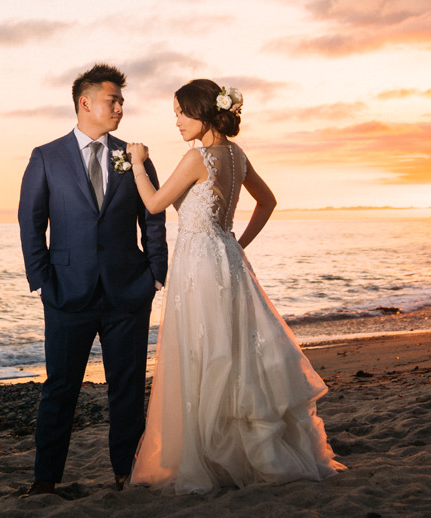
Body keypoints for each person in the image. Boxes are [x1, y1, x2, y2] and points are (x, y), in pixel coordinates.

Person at [123, 79, 343, 491]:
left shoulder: (197, 158)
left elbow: (153, 203)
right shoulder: (237, 155)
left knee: (206, 352)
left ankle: (210, 457)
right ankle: (242, 450)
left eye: (182, 113)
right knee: (235, 350)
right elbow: (268, 201)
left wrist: (137, 161)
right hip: (226, 259)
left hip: (199, 266)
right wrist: (236, 242)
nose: (176, 122)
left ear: (204, 112)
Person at [16, 63, 167, 494]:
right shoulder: (46, 157)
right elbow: (31, 221)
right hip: (67, 293)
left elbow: (152, 217)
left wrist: (156, 273)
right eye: (112, 100)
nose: (120, 107)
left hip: (128, 291)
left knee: (128, 385)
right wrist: (42, 280)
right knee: (61, 387)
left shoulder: (135, 156)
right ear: (85, 103)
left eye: (121, 100)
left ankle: (127, 471)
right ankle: (46, 479)